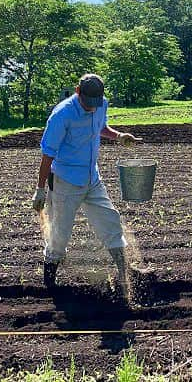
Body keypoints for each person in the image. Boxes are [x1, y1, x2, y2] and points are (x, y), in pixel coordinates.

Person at [32, 73, 141, 292]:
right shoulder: (62, 115)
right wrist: (40, 189)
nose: (92, 108)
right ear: (78, 91)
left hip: (92, 178)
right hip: (65, 181)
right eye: (88, 103)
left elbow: (101, 127)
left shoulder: (100, 104)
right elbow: (48, 154)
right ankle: (50, 281)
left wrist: (119, 136)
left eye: (95, 103)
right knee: (59, 234)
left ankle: (124, 273)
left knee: (110, 220)